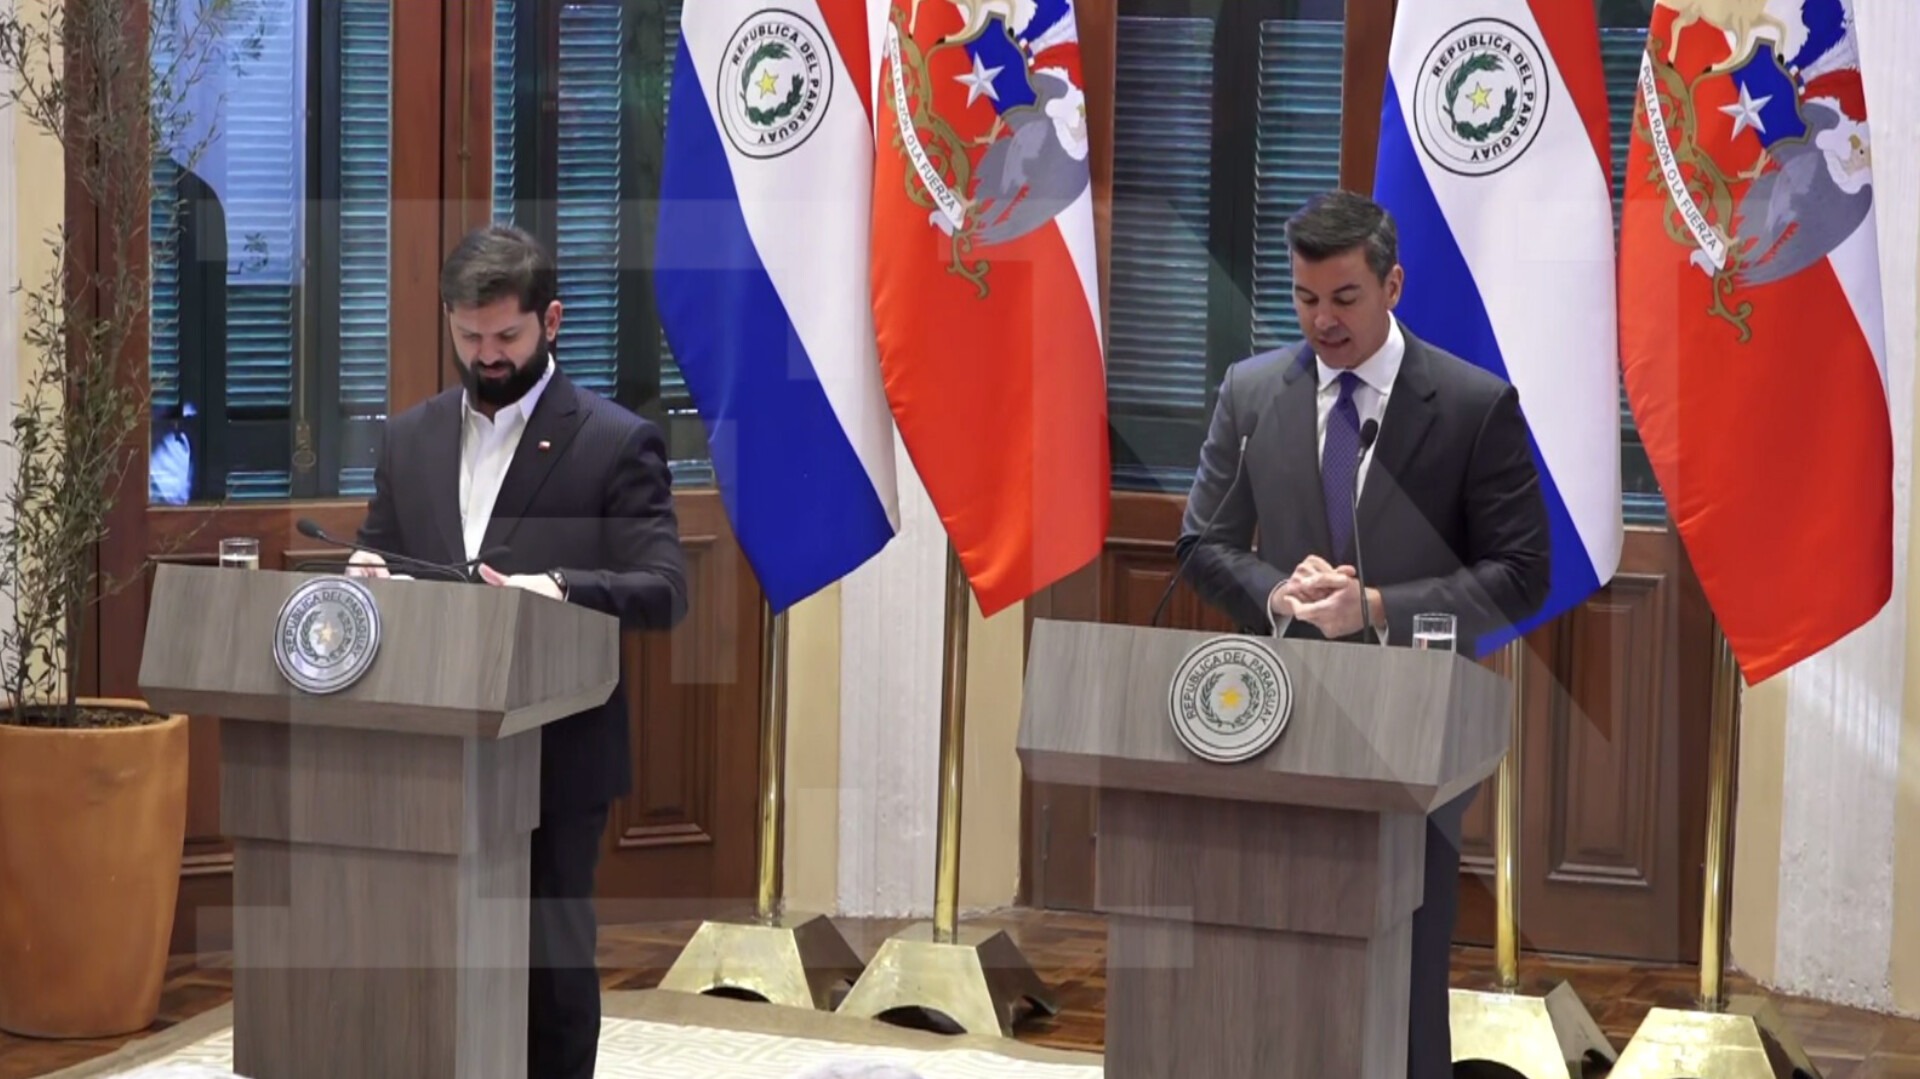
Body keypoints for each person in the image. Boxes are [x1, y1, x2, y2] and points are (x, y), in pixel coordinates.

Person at [1174, 189, 1550, 1079]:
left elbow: (1520, 574)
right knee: (1269, 935)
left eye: (1344, 298)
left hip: (1417, 722)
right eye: (1306, 299)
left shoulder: (1470, 405)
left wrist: (1375, 606)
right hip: (1272, 714)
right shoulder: (1254, 391)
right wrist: (1283, 595)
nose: (1323, 320)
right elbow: (1202, 544)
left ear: (1392, 285)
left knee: (1402, 951)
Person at [349, 224, 689, 1078]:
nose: (487, 354)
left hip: (555, 750)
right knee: (421, 948)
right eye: (469, 335)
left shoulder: (614, 439)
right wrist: (368, 573)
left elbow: (664, 589)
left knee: (548, 963)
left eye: (506, 336)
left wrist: (561, 588)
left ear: (552, 321)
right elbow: (383, 550)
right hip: (426, 743)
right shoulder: (410, 438)